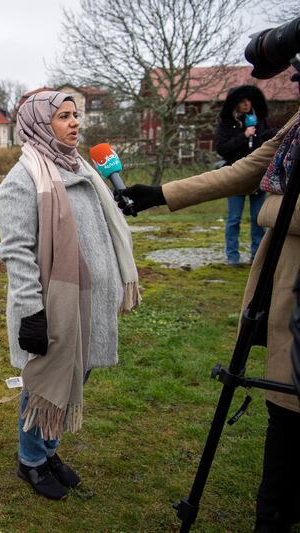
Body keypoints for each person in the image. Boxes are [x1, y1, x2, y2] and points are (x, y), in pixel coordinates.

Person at [119, 108, 300, 533]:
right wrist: (160, 194)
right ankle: (272, 516)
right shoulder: (297, 123)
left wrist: (276, 206)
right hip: (283, 267)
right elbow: (248, 168)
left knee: (291, 403)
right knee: (285, 410)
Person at [0, 91, 141, 501]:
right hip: (52, 308)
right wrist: (30, 313)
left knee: (78, 376)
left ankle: (49, 449)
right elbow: (16, 252)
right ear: (41, 124)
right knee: (46, 383)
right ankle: (32, 461)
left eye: (76, 115)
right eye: (63, 116)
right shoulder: (22, 181)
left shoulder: (84, 168)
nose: (75, 123)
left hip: (90, 303)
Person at [215, 85, 275, 266]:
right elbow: (222, 149)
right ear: (235, 104)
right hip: (236, 175)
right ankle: (232, 257)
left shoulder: (259, 121)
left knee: (259, 218)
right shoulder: (227, 124)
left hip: (257, 176)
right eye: (242, 101)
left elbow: (267, 143)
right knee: (234, 219)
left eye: (248, 100)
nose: (246, 104)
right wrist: (243, 135)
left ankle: (257, 256)